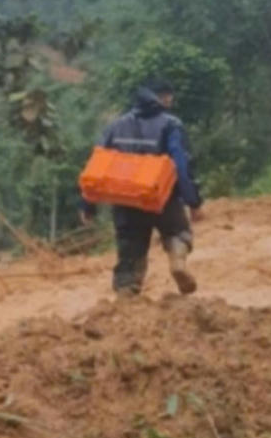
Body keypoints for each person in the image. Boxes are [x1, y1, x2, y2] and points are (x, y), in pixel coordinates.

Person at [80, 79, 204, 296]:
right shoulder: (170, 124)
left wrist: (87, 205)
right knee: (177, 232)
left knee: (129, 253)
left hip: (126, 201)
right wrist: (193, 201)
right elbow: (182, 164)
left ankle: (127, 297)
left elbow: (96, 167)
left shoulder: (115, 126)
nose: (169, 99)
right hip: (162, 198)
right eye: (166, 95)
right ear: (158, 99)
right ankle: (177, 263)